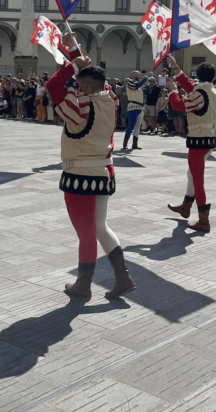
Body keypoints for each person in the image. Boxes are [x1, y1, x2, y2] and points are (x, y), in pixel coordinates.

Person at [46, 42, 135, 301]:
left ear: (84, 86)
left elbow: (53, 86)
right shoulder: (111, 100)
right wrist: (77, 58)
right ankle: (123, 277)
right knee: (100, 227)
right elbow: (97, 82)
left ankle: (83, 285)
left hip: (80, 175)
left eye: (79, 82)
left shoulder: (80, 106)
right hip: (105, 171)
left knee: (86, 232)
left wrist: (73, 65)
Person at [166, 54, 216, 233]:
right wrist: (176, 69)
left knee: (197, 179)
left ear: (198, 76)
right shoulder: (212, 90)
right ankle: (186, 206)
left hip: (199, 138)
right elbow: (191, 87)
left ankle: (203, 220)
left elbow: (178, 105)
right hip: (208, 136)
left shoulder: (200, 93)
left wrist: (172, 90)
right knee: (192, 174)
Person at [123, 71, 148, 150]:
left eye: (140, 75)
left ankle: (135, 144)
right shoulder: (130, 82)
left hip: (141, 107)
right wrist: (145, 79)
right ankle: (125, 143)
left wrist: (147, 85)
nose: (139, 76)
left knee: (137, 126)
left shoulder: (141, 85)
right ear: (133, 75)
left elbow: (148, 92)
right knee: (132, 124)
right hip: (133, 106)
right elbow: (136, 86)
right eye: (138, 74)